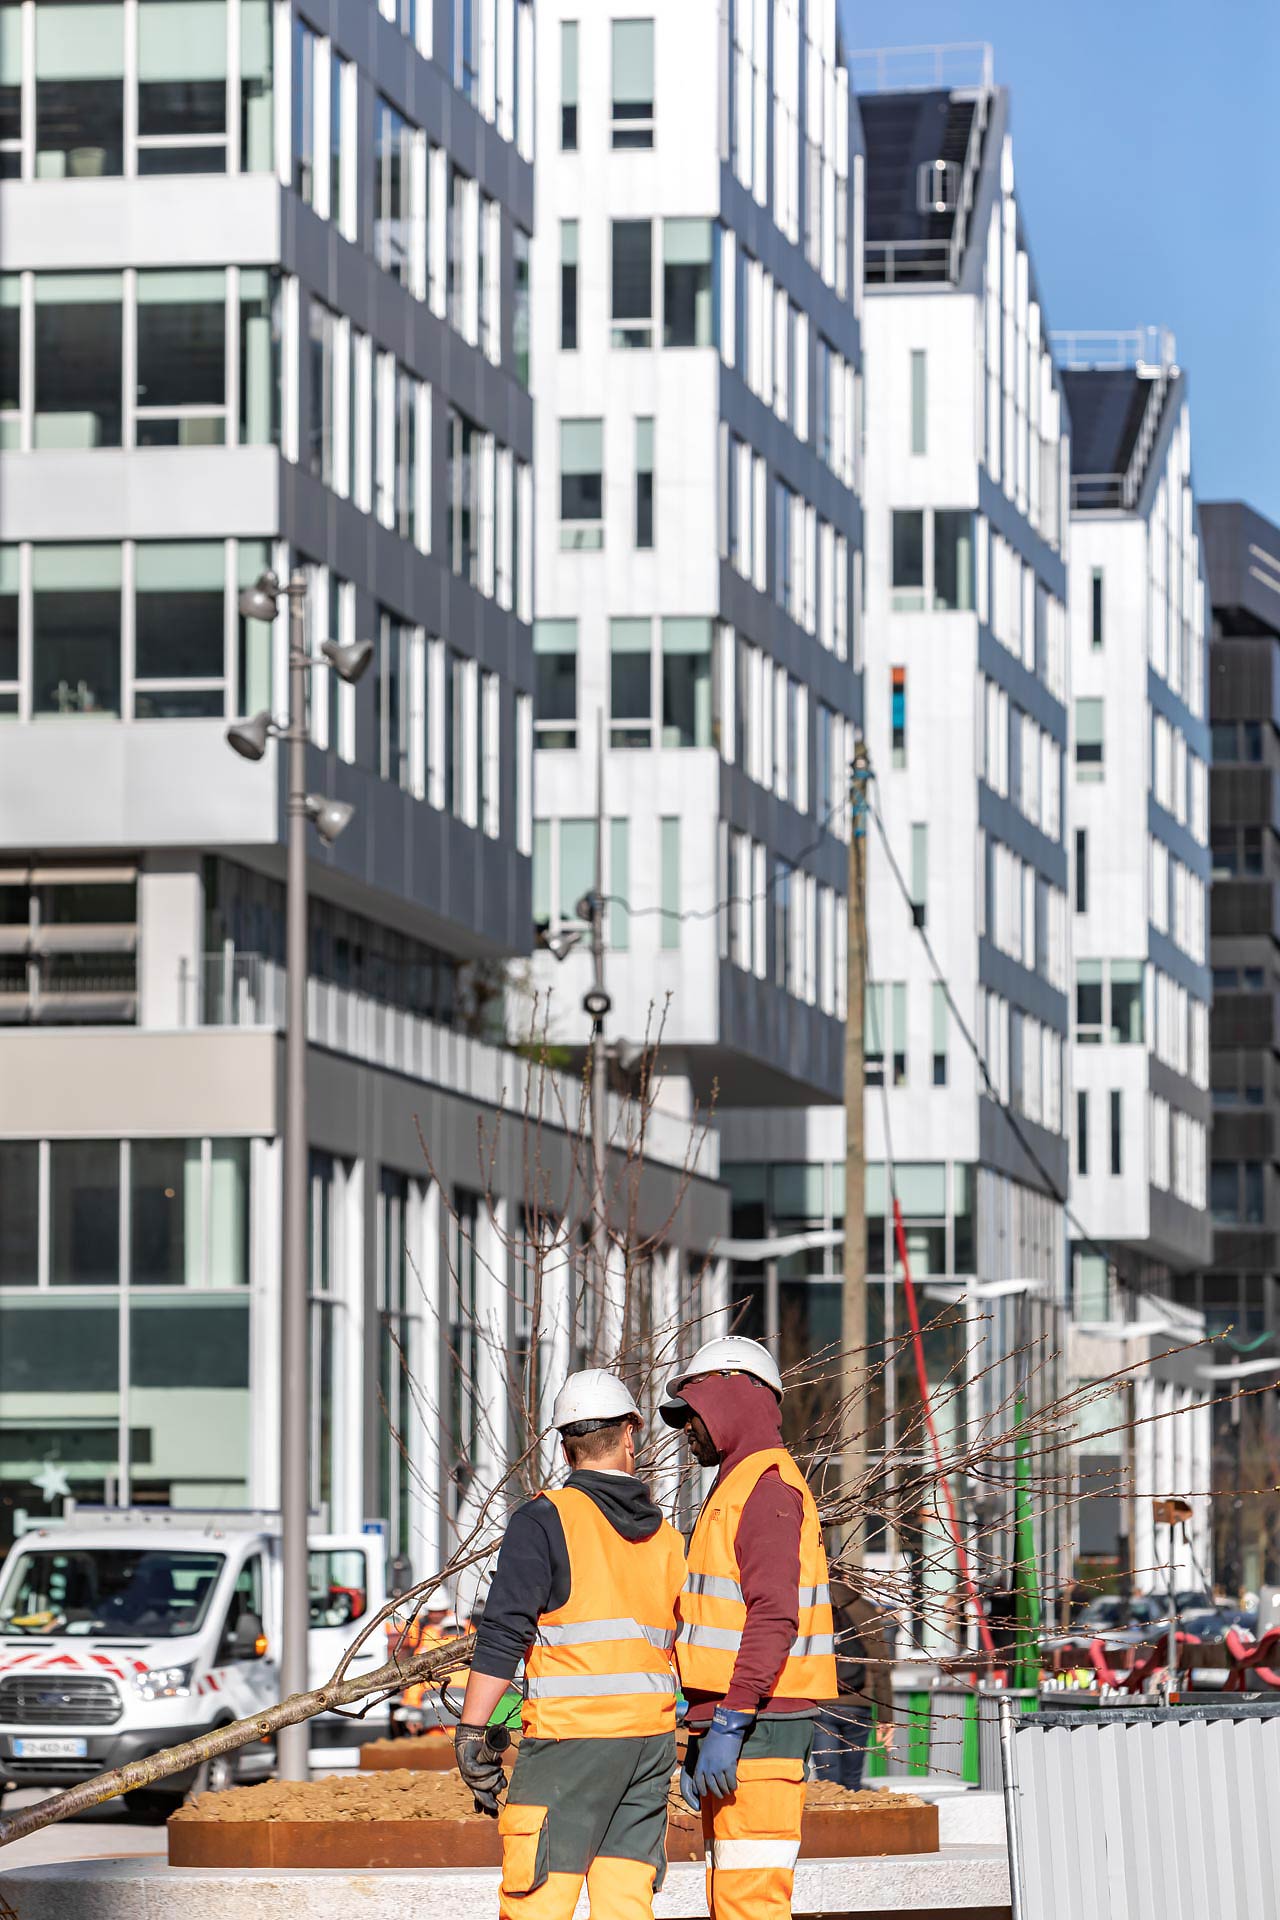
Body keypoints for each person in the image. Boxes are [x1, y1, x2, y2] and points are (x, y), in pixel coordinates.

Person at [454, 1370, 686, 1920]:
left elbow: (504, 1632)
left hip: (570, 1742)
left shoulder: (544, 1520)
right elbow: (691, 1641)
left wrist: (471, 1731)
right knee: (626, 1901)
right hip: (650, 1744)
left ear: (565, 1445)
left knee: (538, 1902)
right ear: (631, 1434)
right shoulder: (668, 1538)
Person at [661, 1336, 838, 1920]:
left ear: (733, 1401)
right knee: (734, 1896)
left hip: (762, 1723)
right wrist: (706, 1726)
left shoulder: (764, 1487)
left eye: (693, 1413)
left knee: (750, 1901)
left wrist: (732, 1719)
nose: (686, 1430)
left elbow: (773, 1615)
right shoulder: (738, 1485)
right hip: (744, 1721)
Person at [811, 1577, 895, 1791]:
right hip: (859, 1702)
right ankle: (851, 1817)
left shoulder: (810, 1605)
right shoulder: (865, 1610)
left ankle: (830, 1820)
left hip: (822, 1702)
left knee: (827, 1783)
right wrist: (886, 1717)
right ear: (847, 1579)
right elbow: (881, 1666)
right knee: (852, 1780)